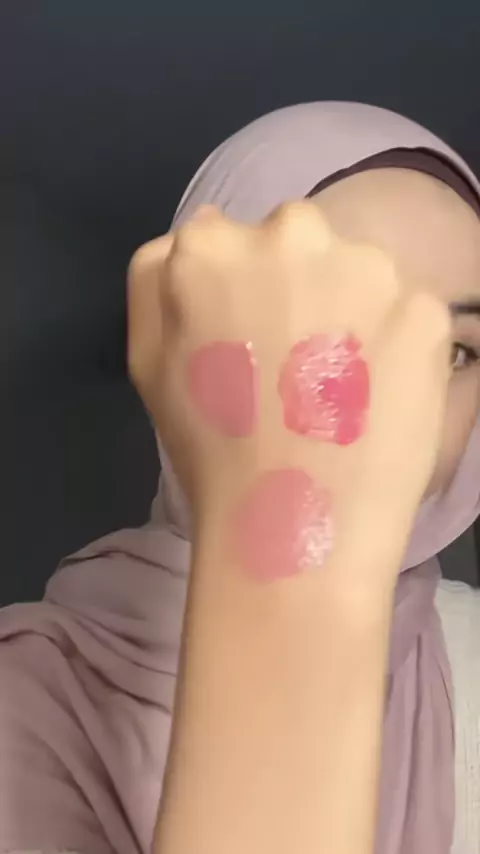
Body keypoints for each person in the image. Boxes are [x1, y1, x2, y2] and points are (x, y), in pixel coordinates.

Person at [0, 102, 479, 854]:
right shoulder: (24, 704)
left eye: (456, 352)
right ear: (180, 348)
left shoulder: (470, 653)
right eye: (328, 337)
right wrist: (293, 556)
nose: (402, 406)